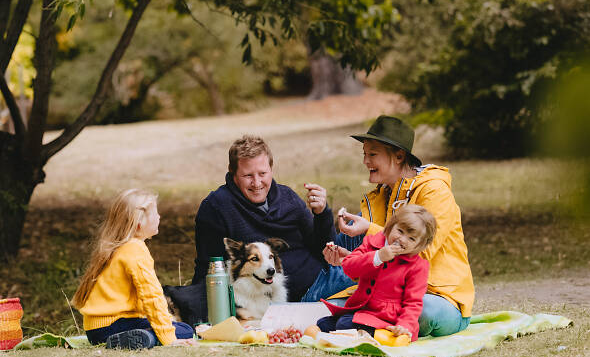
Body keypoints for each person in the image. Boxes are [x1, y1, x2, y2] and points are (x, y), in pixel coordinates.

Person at [322, 115, 475, 337]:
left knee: (422, 313)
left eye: (372, 154)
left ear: (399, 156)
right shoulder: (382, 195)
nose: (366, 162)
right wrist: (351, 259)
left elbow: (421, 251)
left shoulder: (434, 191)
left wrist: (370, 229)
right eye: (364, 155)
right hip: (387, 296)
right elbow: (381, 262)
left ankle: (367, 324)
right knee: (334, 304)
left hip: (438, 296)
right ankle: (369, 325)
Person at [192, 135, 335, 301]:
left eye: (262, 173)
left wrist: (322, 213)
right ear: (233, 173)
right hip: (289, 298)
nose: (257, 182)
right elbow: (208, 269)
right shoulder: (216, 207)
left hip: (323, 279)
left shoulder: (288, 197)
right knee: (366, 283)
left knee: (364, 241)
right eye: (248, 176)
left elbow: (326, 249)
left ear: (271, 169)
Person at [72, 189, 196, 349]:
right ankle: (147, 338)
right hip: (115, 326)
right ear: (139, 223)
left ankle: (136, 337)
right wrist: (168, 337)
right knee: (185, 330)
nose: (159, 217)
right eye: (156, 213)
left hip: (95, 330)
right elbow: (151, 295)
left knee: (176, 326)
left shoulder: (116, 247)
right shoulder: (135, 249)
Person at [318, 205, 437, 342]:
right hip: (362, 309)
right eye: (400, 231)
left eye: (411, 239)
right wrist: (377, 257)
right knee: (323, 323)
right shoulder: (372, 243)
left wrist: (404, 326)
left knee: (343, 324)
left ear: (419, 245)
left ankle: (386, 336)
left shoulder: (418, 266)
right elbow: (349, 267)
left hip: (387, 318)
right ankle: (359, 332)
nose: (402, 239)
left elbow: (413, 302)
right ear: (391, 226)